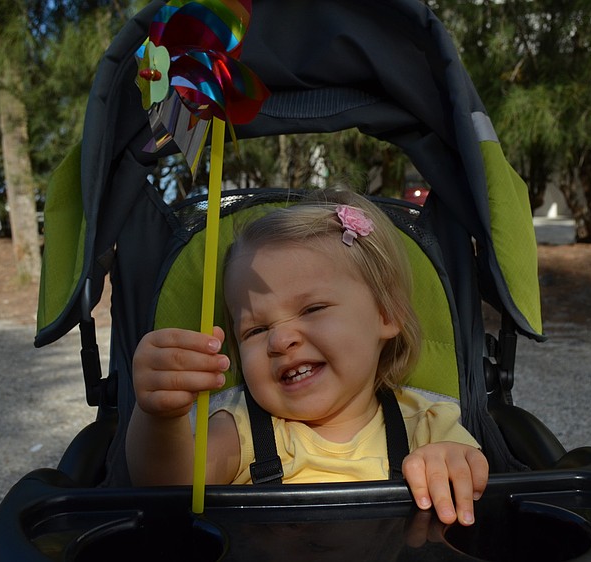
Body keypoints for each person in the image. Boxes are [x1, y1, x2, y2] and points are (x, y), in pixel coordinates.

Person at [126, 189, 488, 527]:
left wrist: (452, 464)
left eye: (313, 309)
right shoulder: (244, 430)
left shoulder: (427, 426)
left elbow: (474, 479)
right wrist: (160, 416)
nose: (281, 340)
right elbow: (171, 485)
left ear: (387, 314)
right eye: (254, 331)